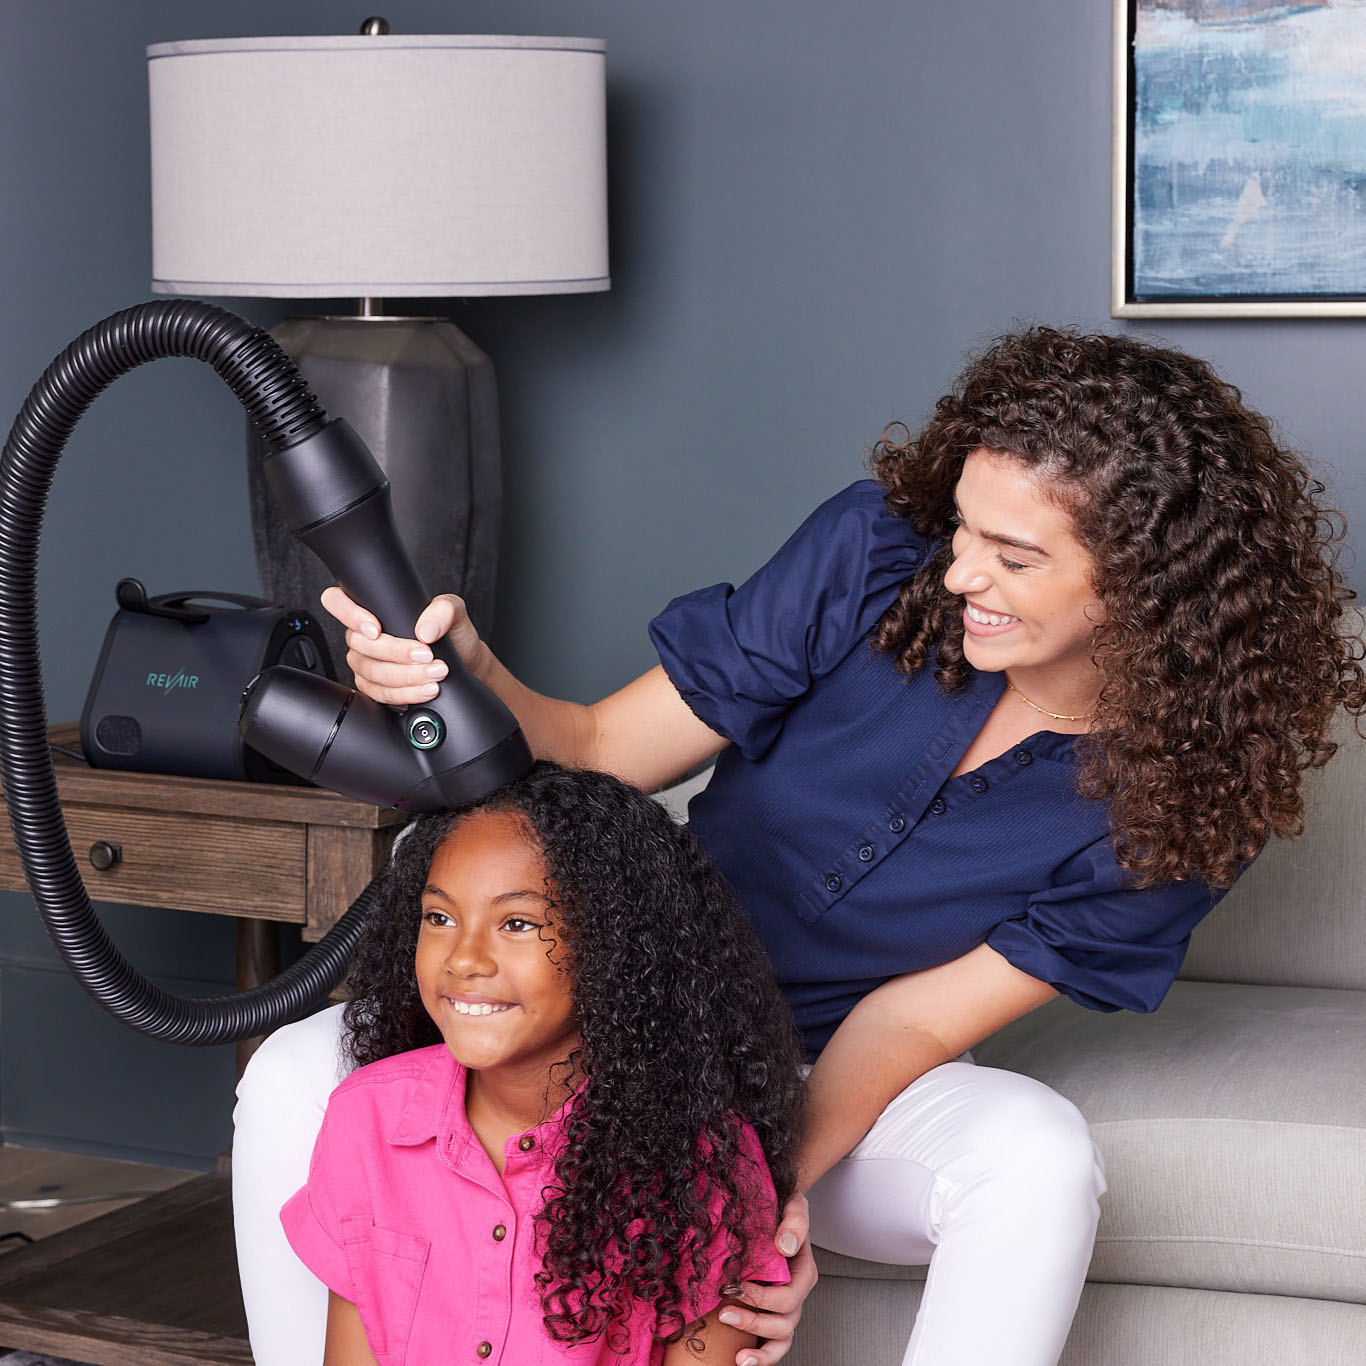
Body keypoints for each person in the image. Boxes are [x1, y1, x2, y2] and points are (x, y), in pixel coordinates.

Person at [235, 326, 1366, 1366]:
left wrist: (749, 1193)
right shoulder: (875, 554)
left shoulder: (1188, 799)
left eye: (1013, 557)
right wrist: (471, 668)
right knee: (294, 1072)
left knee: (1034, 1161)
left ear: (1145, 587)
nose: (961, 571)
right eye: (965, 526)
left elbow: (914, 1018)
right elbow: (597, 744)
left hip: (821, 1069)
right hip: (618, 1018)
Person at [282, 761, 805, 1365]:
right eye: (440, 917)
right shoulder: (366, 1116)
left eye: (518, 923)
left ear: (615, 947)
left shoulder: (702, 1161)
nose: (465, 958)